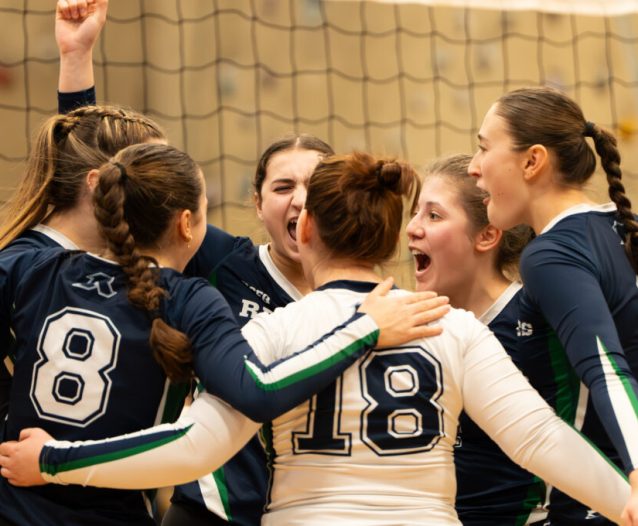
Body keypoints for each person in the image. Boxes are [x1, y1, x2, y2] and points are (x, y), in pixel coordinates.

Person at [2, 151, 633, 526]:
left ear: (302, 234)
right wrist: (628, 501)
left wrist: (57, 461)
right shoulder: (452, 326)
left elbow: (192, 449)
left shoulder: (274, 330)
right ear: (389, 240)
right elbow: (541, 439)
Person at [0, 142, 440, 526]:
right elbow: (257, 392)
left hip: (13, 500)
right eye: (284, 186)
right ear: (188, 224)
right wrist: (364, 330)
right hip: (115, 511)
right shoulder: (190, 297)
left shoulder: (33, 267)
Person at [468, 85, 638, 525]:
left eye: (484, 148)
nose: (473, 167)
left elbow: (607, 368)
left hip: (599, 505)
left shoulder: (551, 255)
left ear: (532, 161)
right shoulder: (617, 229)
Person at [407, 154, 553, 525]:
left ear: (487, 235)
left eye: (433, 215)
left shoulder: (533, 321)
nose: (412, 228)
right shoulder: (408, 321)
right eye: (415, 213)